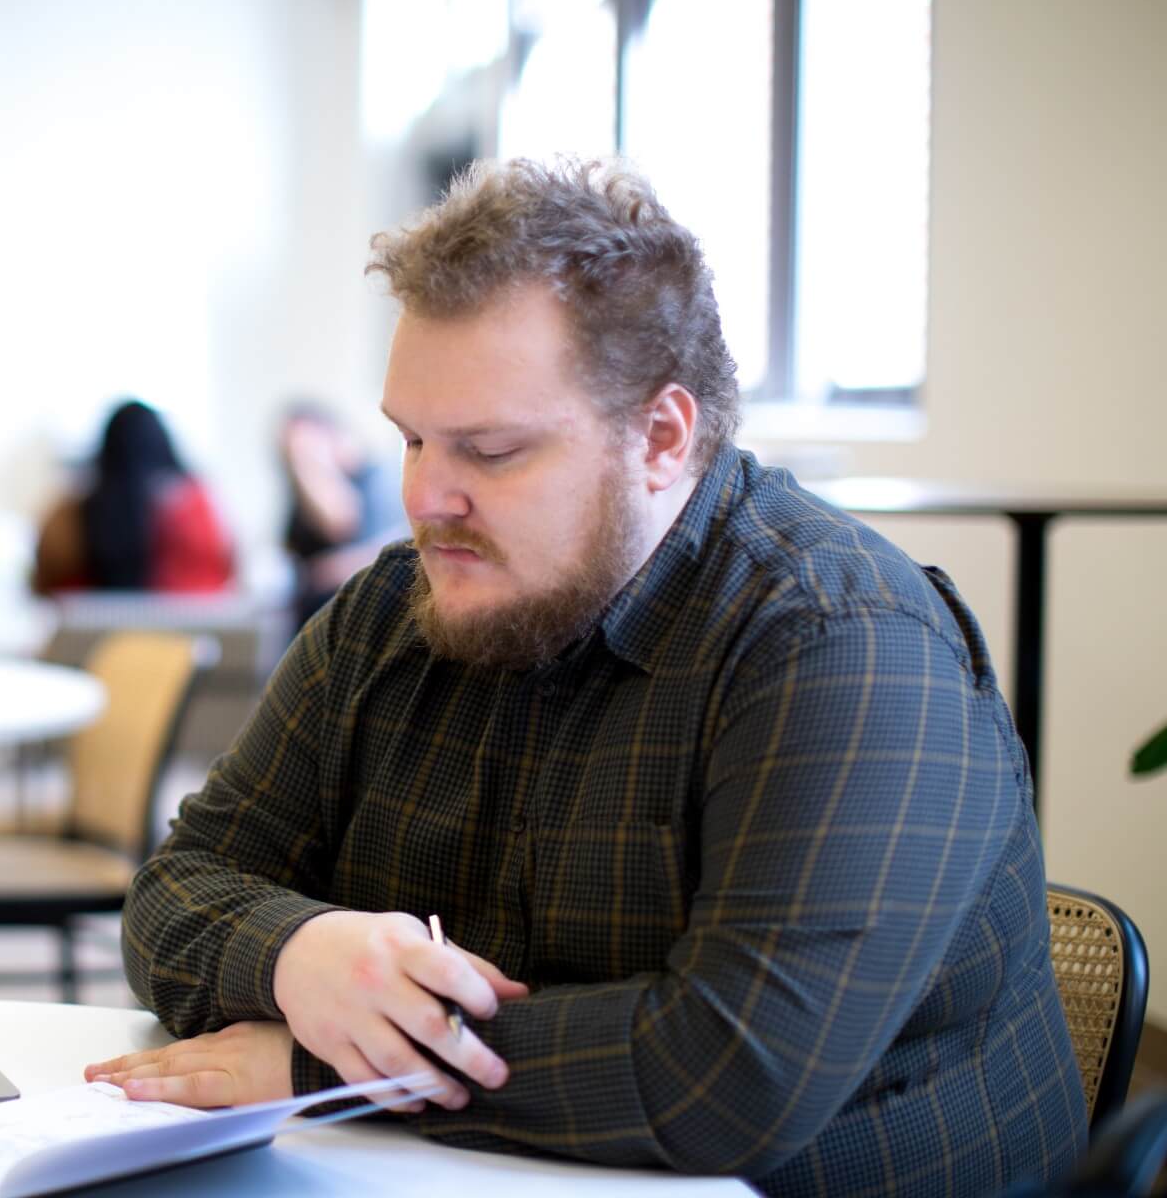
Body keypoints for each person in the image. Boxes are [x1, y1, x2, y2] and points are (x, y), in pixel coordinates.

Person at [85, 158, 1084, 1196]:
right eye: (412, 439)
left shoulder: (844, 645)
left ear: (660, 437)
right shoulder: (392, 613)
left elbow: (729, 1075)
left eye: (492, 449)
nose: (426, 496)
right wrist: (299, 952)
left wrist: (327, 1060)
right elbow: (176, 888)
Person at [31, 400, 235, 594]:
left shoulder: (68, 515)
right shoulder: (197, 509)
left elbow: (43, 584)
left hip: (91, 628)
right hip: (177, 627)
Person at [280, 403, 408, 626]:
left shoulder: (372, 478)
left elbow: (340, 523)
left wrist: (308, 465)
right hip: (308, 610)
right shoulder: (302, 489)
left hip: (350, 609)